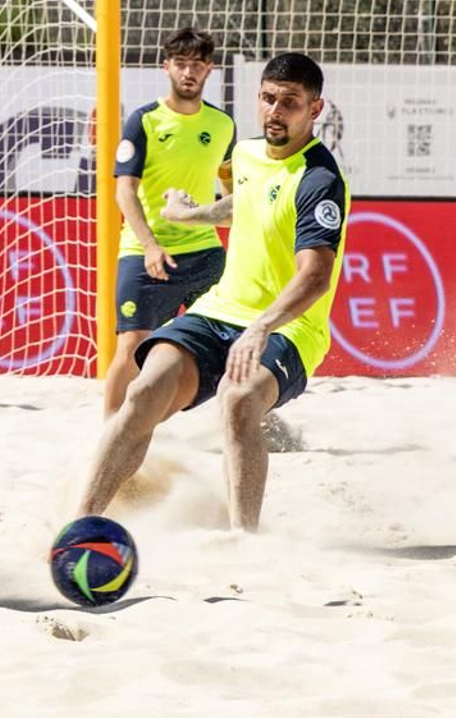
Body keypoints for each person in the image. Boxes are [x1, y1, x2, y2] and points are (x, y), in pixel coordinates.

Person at [74, 52, 349, 532]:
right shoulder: (245, 153)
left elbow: (316, 276)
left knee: (238, 397)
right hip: (222, 308)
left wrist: (262, 327)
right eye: (268, 99)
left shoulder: (319, 179)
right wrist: (190, 215)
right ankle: (80, 522)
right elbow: (245, 206)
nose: (275, 112)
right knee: (143, 390)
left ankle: (245, 539)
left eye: (290, 103)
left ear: (315, 109)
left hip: (291, 326)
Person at [103, 27, 236, 415]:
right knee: (131, 348)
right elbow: (124, 191)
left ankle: (253, 421)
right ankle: (109, 435)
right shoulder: (144, 121)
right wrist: (149, 245)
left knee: (233, 345)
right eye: (180, 64)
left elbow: (231, 195)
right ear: (166, 67)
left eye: (197, 65)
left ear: (209, 70)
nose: (188, 72)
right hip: (148, 255)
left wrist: (228, 215)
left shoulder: (223, 125)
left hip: (204, 253)